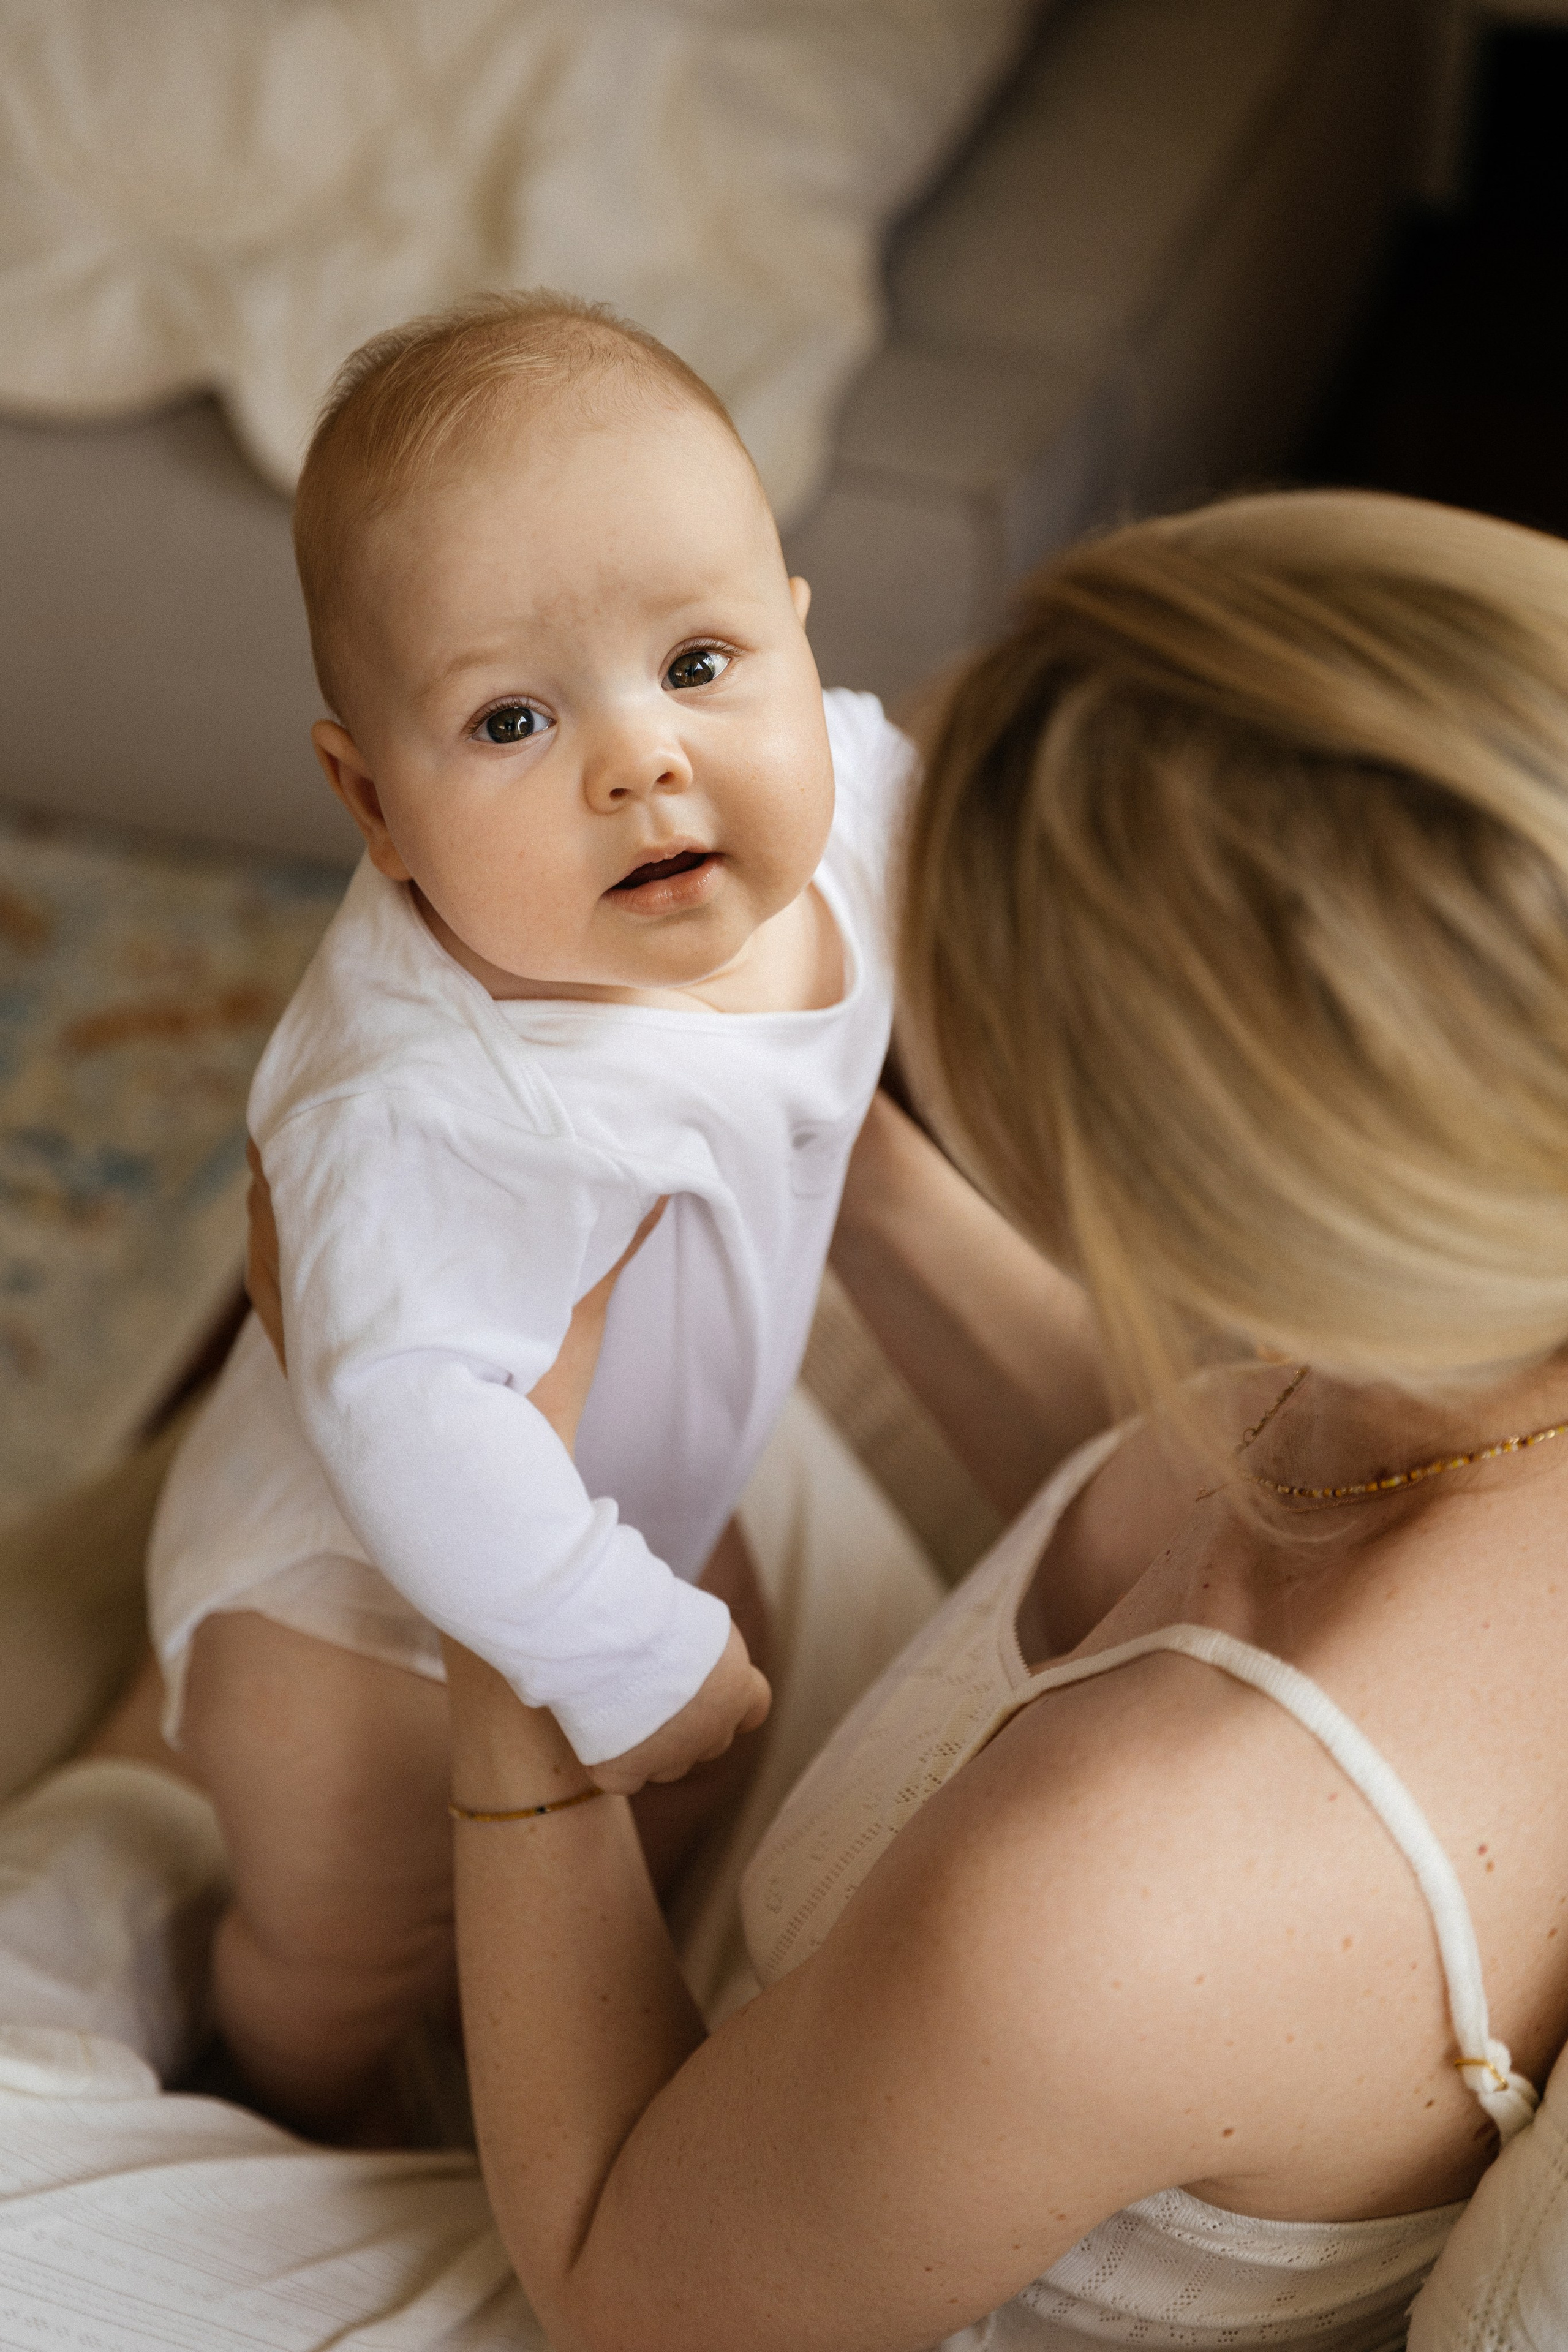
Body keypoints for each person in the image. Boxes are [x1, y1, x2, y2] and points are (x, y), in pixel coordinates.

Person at [4, 484, 1566, 2352]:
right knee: (477, 1366)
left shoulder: (1122, 1889)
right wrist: (800, 1121)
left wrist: (506, 1566)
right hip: (894, 1998)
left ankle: (117, 1858)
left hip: (668, 2275)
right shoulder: (1479, 1322)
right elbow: (1182, 1462)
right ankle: (163, 1828)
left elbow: (624, 2291)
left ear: (1165, 1203)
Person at [143, 292, 911, 2138]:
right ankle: (296, 2101)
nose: (639, 760)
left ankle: (541, 2005)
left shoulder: (847, 796)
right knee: (355, 1933)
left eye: (704, 663)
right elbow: (410, 1419)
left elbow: (937, 794)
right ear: (373, 805)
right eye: (508, 718)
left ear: (803, 647)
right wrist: (611, 1647)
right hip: (347, 1622)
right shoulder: (430, 1099)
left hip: (640, 1475)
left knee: (702, 1760)